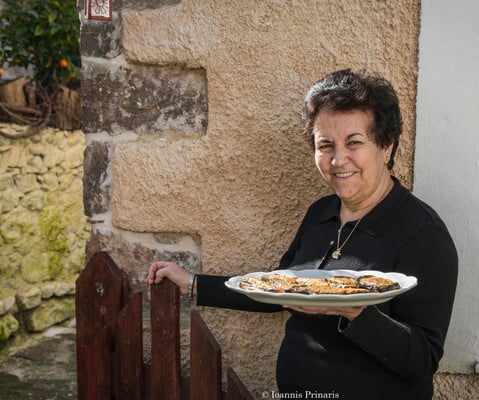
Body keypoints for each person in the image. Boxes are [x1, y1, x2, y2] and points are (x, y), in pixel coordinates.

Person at [146, 69, 458, 399]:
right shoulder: (319, 215)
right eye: (326, 145)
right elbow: (279, 290)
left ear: (386, 146)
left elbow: (422, 359)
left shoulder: (424, 235)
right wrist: (194, 284)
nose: (338, 160)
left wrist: (354, 311)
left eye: (354, 143)